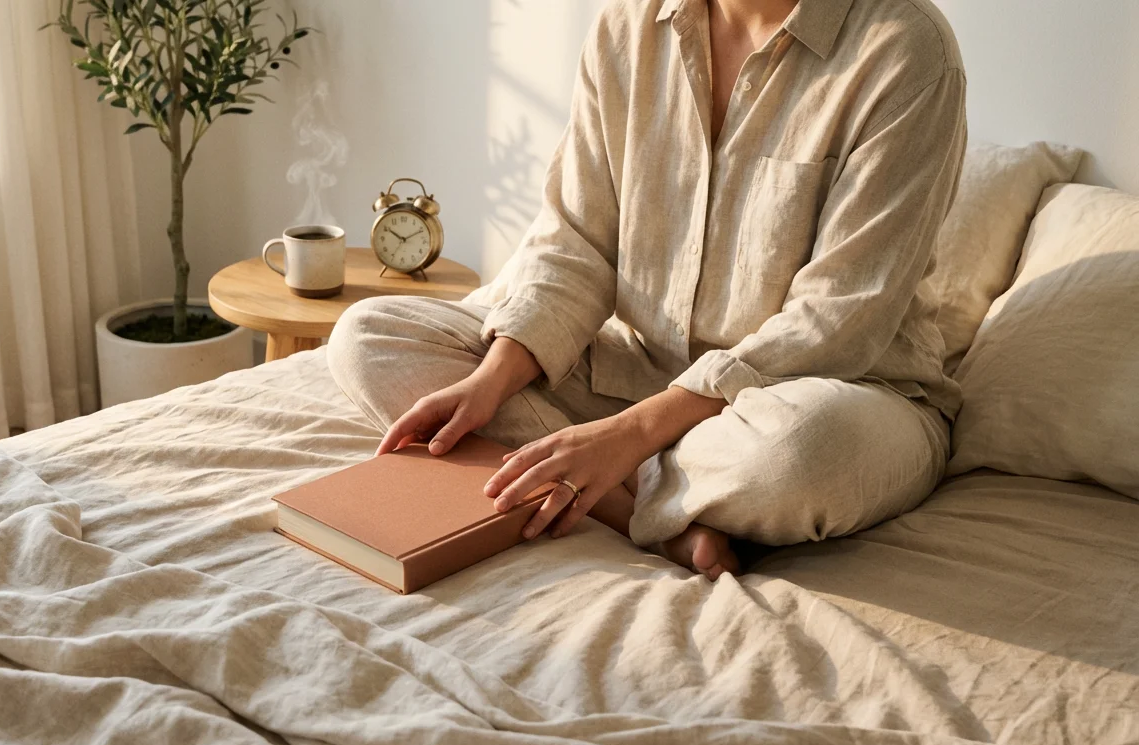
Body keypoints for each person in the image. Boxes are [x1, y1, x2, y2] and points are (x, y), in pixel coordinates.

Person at [328, 0, 967, 580]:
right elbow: (576, 244)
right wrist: (490, 382)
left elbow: (838, 319)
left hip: (829, 392)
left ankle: (610, 476)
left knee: (795, 456)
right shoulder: (626, 26)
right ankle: (643, 510)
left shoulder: (907, 49)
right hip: (637, 372)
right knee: (369, 336)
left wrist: (628, 436)